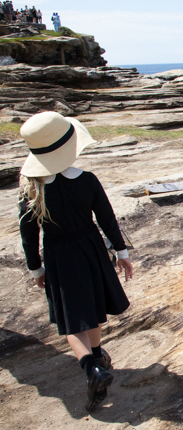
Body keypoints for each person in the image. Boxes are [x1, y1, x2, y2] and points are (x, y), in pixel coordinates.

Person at [18, 112, 133, 412]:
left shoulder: (33, 189)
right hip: (90, 249)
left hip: (58, 255)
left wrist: (36, 268)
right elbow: (107, 220)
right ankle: (97, 358)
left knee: (72, 322)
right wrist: (122, 254)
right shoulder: (87, 180)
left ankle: (92, 367)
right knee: (91, 311)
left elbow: (28, 234)